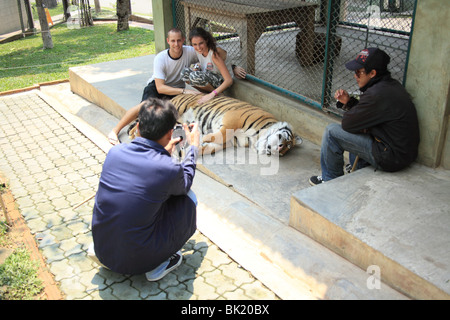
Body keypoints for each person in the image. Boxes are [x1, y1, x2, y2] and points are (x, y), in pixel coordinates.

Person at [91, 98, 201, 281]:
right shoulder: (168, 168)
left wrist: (161, 152)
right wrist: (193, 147)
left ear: (138, 126)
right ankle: (161, 263)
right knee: (189, 198)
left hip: (103, 250)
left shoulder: (115, 153)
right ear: (170, 134)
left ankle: (117, 253)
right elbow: (185, 183)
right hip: (140, 262)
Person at [309, 47, 420, 185]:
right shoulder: (389, 86)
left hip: (391, 157)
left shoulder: (376, 94)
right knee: (362, 125)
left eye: (359, 72)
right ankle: (359, 169)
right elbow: (365, 115)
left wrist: (354, 114)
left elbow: (348, 124)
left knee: (332, 133)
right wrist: (349, 102)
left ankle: (331, 180)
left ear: (372, 73)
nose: (355, 76)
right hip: (402, 152)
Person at [107, 28, 228, 145]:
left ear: (183, 40)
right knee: (145, 107)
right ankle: (115, 131)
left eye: (179, 40)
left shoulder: (192, 50)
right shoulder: (160, 58)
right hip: (158, 87)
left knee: (169, 115)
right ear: (168, 41)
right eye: (173, 41)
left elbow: (219, 55)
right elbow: (160, 88)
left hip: (176, 91)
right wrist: (185, 91)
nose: (176, 44)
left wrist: (233, 67)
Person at [181, 27, 233, 105]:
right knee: (184, 73)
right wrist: (198, 66)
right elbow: (206, 64)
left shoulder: (214, 53)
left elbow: (229, 80)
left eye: (201, 43)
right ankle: (205, 93)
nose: (198, 47)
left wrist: (212, 94)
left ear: (206, 40)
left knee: (195, 76)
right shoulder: (199, 50)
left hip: (222, 83)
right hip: (211, 77)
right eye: (195, 44)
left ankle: (217, 95)